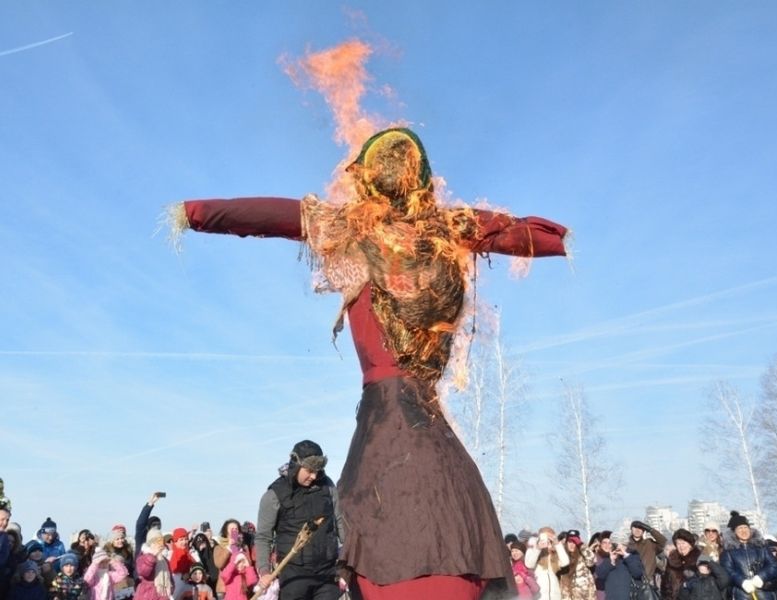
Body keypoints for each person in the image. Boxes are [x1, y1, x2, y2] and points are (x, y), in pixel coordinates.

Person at [173, 127, 569, 599]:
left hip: (394, 421)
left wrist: (197, 214)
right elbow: (511, 231)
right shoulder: (434, 228)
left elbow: (280, 215)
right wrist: (553, 239)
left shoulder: (382, 227)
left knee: (396, 518)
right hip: (411, 426)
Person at [255, 441, 343, 600]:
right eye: (309, 471)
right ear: (296, 465)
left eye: (317, 471)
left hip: (327, 574)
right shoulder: (274, 495)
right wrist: (264, 571)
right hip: (293, 576)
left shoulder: (327, 486)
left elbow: (340, 521)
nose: (314, 476)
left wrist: (349, 558)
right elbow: (263, 537)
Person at [720, 511, 777, 600]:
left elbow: (774, 566)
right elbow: (727, 570)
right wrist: (742, 582)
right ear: (734, 532)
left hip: (764, 592)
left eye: (746, 527)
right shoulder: (729, 551)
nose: (743, 531)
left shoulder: (761, 547)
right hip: (741, 594)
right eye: (740, 528)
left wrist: (761, 577)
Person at [525, 526, 570, 600]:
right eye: (545, 537)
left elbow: (565, 562)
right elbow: (529, 564)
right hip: (540, 596)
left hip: (555, 596)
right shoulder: (533, 549)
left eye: (550, 538)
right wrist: (538, 548)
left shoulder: (555, 553)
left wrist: (557, 544)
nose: (547, 540)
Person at [662, 529, 701, 600]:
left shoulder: (699, 558)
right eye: (678, 543)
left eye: (683, 543)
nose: (681, 546)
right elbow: (666, 585)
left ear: (690, 544)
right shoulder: (672, 560)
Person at [133, 529, 173, 600]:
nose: (160, 543)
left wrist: (171, 587)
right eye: (157, 541)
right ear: (151, 543)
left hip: (163, 595)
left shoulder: (164, 559)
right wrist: (152, 556)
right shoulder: (144, 556)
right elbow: (143, 572)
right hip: (147, 595)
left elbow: (170, 577)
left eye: (161, 540)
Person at [560, 530, 597, 600]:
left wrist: (581, 545)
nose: (572, 545)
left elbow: (592, 560)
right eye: (570, 542)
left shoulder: (583, 557)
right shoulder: (563, 559)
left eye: (574, 542)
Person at [628, 520, 667, 584]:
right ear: (631, 529)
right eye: (635, 527)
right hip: (631, 582)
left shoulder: (649, 543)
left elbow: (663, 542)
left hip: (648, 581)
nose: (637, 530)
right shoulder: (626, 546)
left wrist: (650, 530)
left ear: (644, 531)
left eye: (640, 528)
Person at [135, 494, 164, 560]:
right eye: (154, 525)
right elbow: (141, 523)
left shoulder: (161, 544)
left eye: (158, 525)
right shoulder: (142, 540)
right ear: (148, 526)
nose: (156, 527)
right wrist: (150, 503)